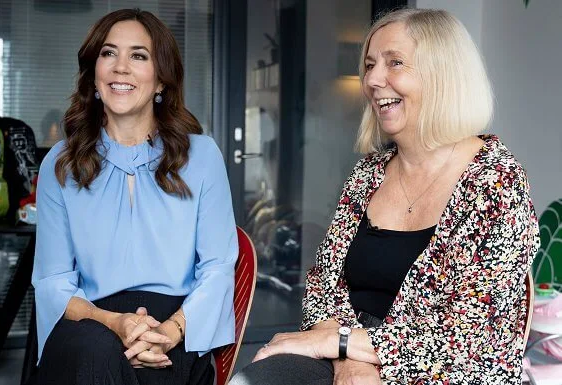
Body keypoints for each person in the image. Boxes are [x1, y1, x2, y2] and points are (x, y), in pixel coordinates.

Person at [230, 8, 540, 385]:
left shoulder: (496, 179)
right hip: (342, 355)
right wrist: (349, 358)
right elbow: (322, 285)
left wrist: (344, 343)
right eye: (370, 64)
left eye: (395, 63)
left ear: (442, 74)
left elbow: (468, 339)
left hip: (441, 371)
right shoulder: (369, 172)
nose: (373, 80)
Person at [32, 8, 237, 385]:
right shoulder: (59, 164)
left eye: (138, 56)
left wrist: (169, 333)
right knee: (95, 352)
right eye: (108, 54)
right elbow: (53, 281)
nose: (120, 67)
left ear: (161, 81)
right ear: (94, 74)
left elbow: (218, 269)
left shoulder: (203, 156)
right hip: (87, 322)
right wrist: (114, 323)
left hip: (173, 329)